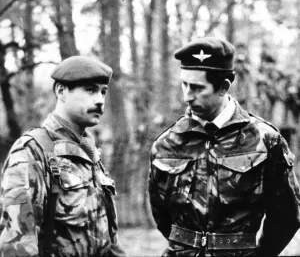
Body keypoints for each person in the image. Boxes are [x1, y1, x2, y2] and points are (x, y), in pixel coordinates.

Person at [149, 37, 300, 257]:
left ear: (224, 87)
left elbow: (287, 214)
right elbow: (162, 216)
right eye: (184, 84)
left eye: (197, 87)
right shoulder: (166, 143)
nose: (187, 95)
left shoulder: (265, 140)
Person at [0, 56, 126, 257]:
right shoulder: (32, 152)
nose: (100, 100)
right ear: (61, 91)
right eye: (90, 90)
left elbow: (107, 240)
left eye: (103, 91)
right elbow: (17, 246)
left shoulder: (90, 154)